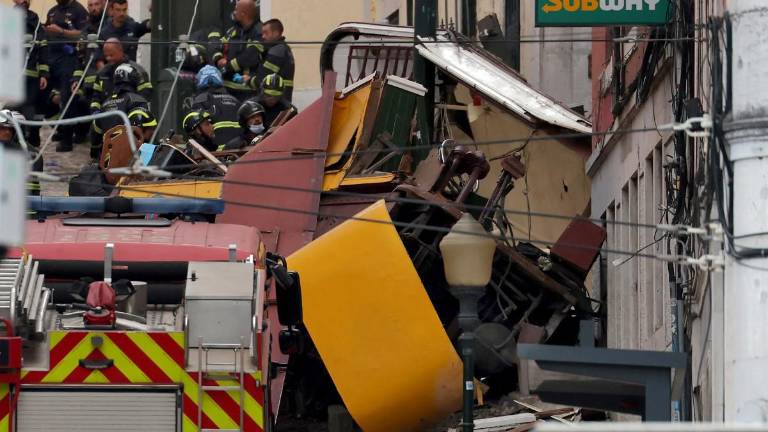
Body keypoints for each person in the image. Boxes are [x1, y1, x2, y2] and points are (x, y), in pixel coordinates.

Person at [45, 0, 89, 152]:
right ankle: (60, 128)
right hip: (51, 57)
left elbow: (84, 34)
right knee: (45, 96)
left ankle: (67, 138)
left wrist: (62, 32)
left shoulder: (78, 9)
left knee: (67, 98)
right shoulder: (52, 11)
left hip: (68, 59)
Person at [11, 0, 49, 151]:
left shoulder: (35, 20)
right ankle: (14, 141)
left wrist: (44, 73)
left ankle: (32, 140)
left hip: (31, 75)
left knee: (28, 108)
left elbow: (43, 47)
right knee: (12, 109)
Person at [93, 63, 151, 157]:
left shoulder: (105, 103)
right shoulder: (137, 100)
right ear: (133, 79)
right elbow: (142, 132)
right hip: (130, 157)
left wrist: (94, 149)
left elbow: (95, 129)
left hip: (107, 156)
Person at [214, 0, 263, 101]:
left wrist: (227, 66)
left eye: (236, 9)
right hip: (227, 89)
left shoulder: (259, 32)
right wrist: (218, 59)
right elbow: (218, 45)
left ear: (244, 13)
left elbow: (250, 57)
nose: (234, 12)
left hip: (248, 91)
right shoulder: (233, 30)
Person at [191, 65, 242, 151]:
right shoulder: (235, 100)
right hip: (238, 149)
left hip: (216, 153)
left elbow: (196, 129)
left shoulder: (201, 100)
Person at [248, 18, 294, 102]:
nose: (263, 36)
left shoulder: (277, 51)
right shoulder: (283, 49)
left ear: (276, 33)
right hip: (281, 99)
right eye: (262, 33)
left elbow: (262, 79)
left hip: (274, 101)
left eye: (266, 33)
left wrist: (247, 80)